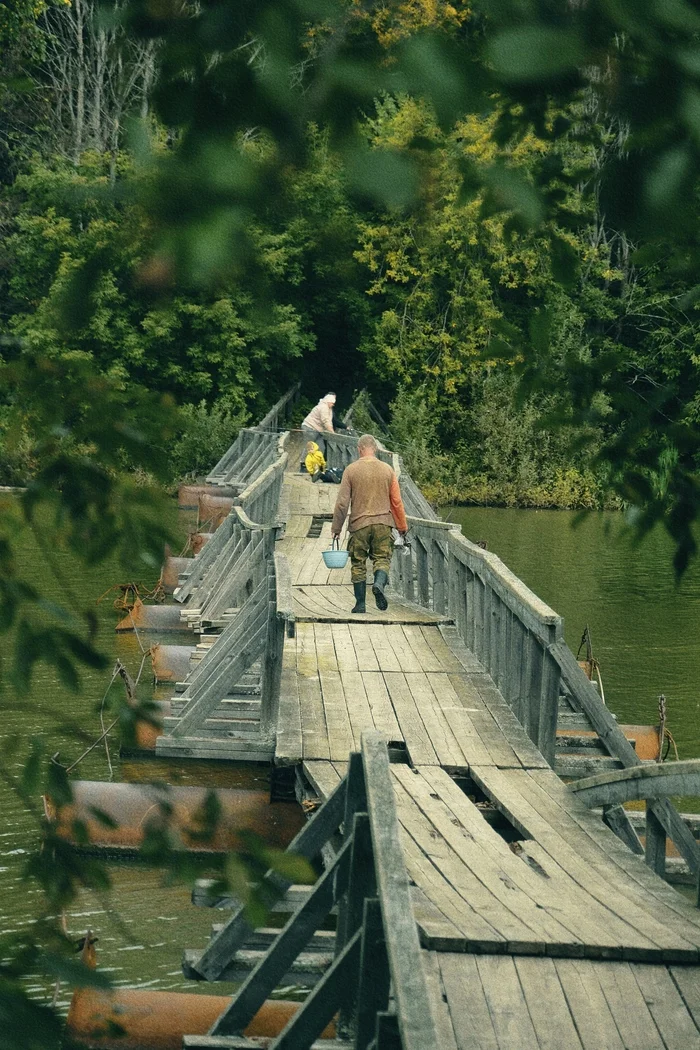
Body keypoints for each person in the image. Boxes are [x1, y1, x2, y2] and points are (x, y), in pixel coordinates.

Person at [331, 433, 408, 614]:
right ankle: (379, 584)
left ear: (359, 449)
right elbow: (396, 502)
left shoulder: (351, 470)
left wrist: (336, 528)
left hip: (359, 525)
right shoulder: (388, 470)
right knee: (382, 559)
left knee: (358, 562)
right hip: (383, 523)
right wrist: (402, 527)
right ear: (375, 449)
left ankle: (360, 604)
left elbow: (342, 503)